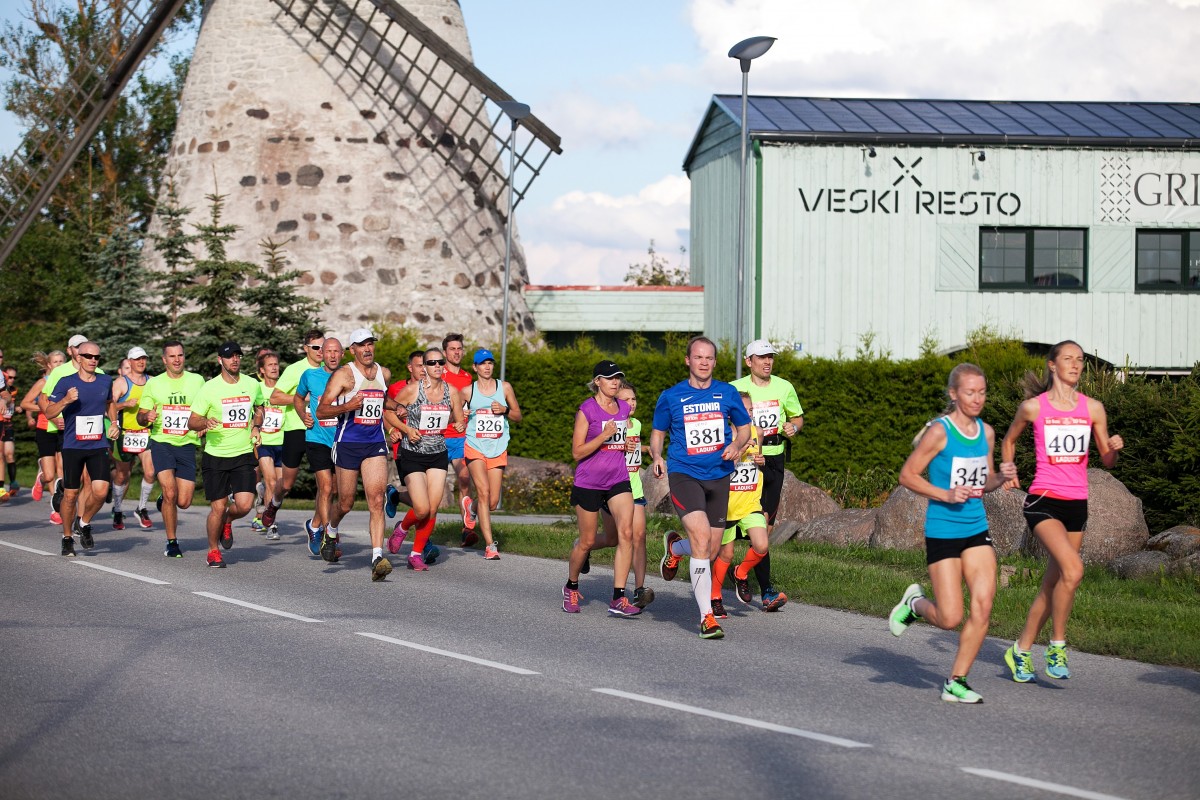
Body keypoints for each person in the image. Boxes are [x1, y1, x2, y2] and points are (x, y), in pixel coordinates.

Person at [888, 364, 1014, 704]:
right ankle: (914, 604)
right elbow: (908, 475)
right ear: (954, 394)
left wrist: (1001, 478)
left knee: (983, 606)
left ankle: (957, 680)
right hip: (943, 529)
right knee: (950, 617)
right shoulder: (939, 432)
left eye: (982, 392)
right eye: (970, 392)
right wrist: (945, 494)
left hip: (976, 527)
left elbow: (984, 482)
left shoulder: (987, 433)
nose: (977, 398)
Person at [999, 340, 1124, 683]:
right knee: (1074, 569)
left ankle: (1020, 650)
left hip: (1076, 505)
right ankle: (1057, 646)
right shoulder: (1033, 407)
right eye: (1068, 358)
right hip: (1043, 501)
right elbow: (1009, 440)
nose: (1075, 364)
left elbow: (1107, 459)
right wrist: (1008, 468)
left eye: (1080, 359)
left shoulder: (1093, 408)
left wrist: (1113, 448)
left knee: (1054, 583)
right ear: (1052, 365)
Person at [651, 336, 751, 639]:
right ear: (688, 360)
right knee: (702, 538)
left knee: (709, 551)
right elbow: (658, 433)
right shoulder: (671, 396)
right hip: (685, 473)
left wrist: (736, 445)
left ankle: (675, 548)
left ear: (715, 362)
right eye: (698, 357)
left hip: (719, 475)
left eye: (709, 358)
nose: (704, 362)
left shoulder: (727, 393)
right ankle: (707, 617)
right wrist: (657, 456)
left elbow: (744, 428)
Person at [563, 360, 642, 617]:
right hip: (589, 482)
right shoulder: (586, 410)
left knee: (624, 534)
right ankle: (571, 586)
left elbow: (617, 442)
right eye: (609, 377)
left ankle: (619, 597)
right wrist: (603, 436)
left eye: (617, 377)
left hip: (618, 479)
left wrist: (624, 445)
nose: (615, 382)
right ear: (597, 381)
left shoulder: (623, 408)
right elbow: (577, 452)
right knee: (587, 541)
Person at [315, 328, 395, 580]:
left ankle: (377, 557)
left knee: (377, 500)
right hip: (348, 443)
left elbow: (382, 401)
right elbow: (321, 410)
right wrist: (348, 406)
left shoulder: (384, 373)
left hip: (374, 443)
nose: (367, 349)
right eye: (362, 345)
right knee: (346, 503)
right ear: (353, 350)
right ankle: (331, 531)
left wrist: (399, 407)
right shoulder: (344, 375)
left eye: (370, 343)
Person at [730, 339, 803, 609]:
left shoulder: (784, 387)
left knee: (765, 528)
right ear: (749, 361)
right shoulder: (734, 388)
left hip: (773, 459)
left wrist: (794, 427)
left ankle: (751, 579)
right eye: (761, 357)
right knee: (733, 525)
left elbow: (797, 417)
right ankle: (759, 587)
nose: (767, 361)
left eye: (770, 356)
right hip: (745, 460)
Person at [574, 380, 655, 608]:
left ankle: (638, 589)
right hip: (610, 486)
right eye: (626, 399)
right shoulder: (607, 422)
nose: (631, 403)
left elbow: (633, 450)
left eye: (634, 399)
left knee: (637, 535)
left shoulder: (636, 424)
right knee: (612, 539)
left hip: (632, 488)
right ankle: (583, 547)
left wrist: (646, 450)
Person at [187, 341, 266, 568]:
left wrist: (256, 426)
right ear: (220, 360)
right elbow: (192, 421)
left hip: (243, 453)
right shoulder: (209, 388)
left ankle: (228, 521)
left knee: (245, 505)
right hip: (216, 455)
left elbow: (260, 408)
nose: (235, 360)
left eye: (238, 355)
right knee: (218, 507)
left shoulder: (252, 384)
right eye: (230, 356)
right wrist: (204, 422)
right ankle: (213, 551)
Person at [389, 347, 465, 571]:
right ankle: (402, 528)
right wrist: (405, 429)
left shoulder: (452, 391)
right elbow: (388, 411)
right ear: (424, 366)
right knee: (421, 509)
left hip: (437, 453)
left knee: (432, 509)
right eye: (431, 363)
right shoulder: (412, 390)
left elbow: (457, 418)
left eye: (440, 362)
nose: (437, 366)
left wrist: (459, 424)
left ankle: (415, 554)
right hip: (413, 453)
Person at [43, 342, 118, 555]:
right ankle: (67, 538)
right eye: (88, 356)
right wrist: (66, 400)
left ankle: (84, 522)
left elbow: (110, 403)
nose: (93, 360)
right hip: (73, 445)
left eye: (96, 357)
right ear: (78, 358)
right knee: (71, 495)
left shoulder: (105, 380)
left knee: (101, 491)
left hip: (98, 443)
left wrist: (114, 423)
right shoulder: (66, 382)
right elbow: (49, 412)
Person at [137, 341, 206, 558]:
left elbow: (207, 407)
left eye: (180, 355)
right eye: (172, 356)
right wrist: (146, 417)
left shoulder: (197, 380)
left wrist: (204, 424)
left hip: (186, 444)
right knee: (170, 492)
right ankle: (172, 542)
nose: (177, 360)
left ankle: (164, 500)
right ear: (164, 360)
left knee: (183, 502)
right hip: (162, 442)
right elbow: (140, 416)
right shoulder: (154, 383)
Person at [260, 330, 326, 531]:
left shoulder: (329, 369)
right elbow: (275, 398)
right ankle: (274, 504)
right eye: (316, 347)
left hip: (321, 431)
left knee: (326, 485)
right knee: (287, 484)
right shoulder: (294, 370)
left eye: (323, 347)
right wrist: (303, 398)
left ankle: (322, 528)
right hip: (296, 429)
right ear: (306, 348)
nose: (320, 351)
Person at [460, 348, 522, 560]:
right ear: (475, 367)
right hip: (475, 445)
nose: (487, 367)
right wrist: (462, 414)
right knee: (484, 492)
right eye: (483, 363)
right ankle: (490, 545)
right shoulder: (467, 391)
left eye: (490, 363)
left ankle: (471, 507)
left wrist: (505, 410)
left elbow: (518, 416)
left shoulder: (504, 387)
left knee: (492, 502)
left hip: (498, 447)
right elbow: (453, 417)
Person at [294, 337, 343, 556]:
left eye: (336, 351)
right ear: (322, 354)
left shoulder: (348, 376)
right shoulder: (310, 375)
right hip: (317, 438)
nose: (332, 355)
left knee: (336, 490)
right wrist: (302, 414)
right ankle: (327, 538)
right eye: (328, 351)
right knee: (326, 488)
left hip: (341, 440)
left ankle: (314, 525)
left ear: (342, 354)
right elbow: (298, 398)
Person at [110, 347, 157, 531]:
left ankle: (142, 507)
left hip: (146, 433)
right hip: (125, 434)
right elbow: (110, 405)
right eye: (137, 359)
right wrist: (125, 404)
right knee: (122, 475)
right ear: (129, 361)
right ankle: (118, 509)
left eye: (144, 358)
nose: (141, 362)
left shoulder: (152, 381)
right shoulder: (121, 382)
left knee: (150, 472)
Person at [440, 333, 476, 541]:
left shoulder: (467, 377)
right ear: (445, 352)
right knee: (432, 491)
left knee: (464, 479)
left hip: (461, 436)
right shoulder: (438, 374)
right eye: (452, 349)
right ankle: (423, 533)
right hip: (438, 437)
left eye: (459, 349)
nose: (456, 352)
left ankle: (467, 530)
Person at [23, 350, 67, 521]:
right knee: (49, 475)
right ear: (49, 365)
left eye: (62, 361)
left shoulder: (68, 381)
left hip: (63, 428)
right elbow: (25, 403)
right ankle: (41, 479)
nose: (59, 364)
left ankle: (56, 509)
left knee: (62, 469)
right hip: (44, 428)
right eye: (55, 362)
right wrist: (45, 408)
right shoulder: (43, 382)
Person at [255, 350, 286, 540]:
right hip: (264, 442)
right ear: (262, 370)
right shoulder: (257, 388)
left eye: (276, 364)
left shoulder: (284, 387)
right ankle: (272, 525)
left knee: (282, 487)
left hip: (283, 441)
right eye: (270, 365)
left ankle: (263, 497)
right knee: (271, 482)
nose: (274, 368)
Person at [2, 364, 21, 496]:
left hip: (8, 425)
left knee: (9, 454)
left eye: (14, 377)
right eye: (9, 377)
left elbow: (13, 406)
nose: (12, 380)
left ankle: (13, 483)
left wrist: (18, 408)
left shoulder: (14, 390)